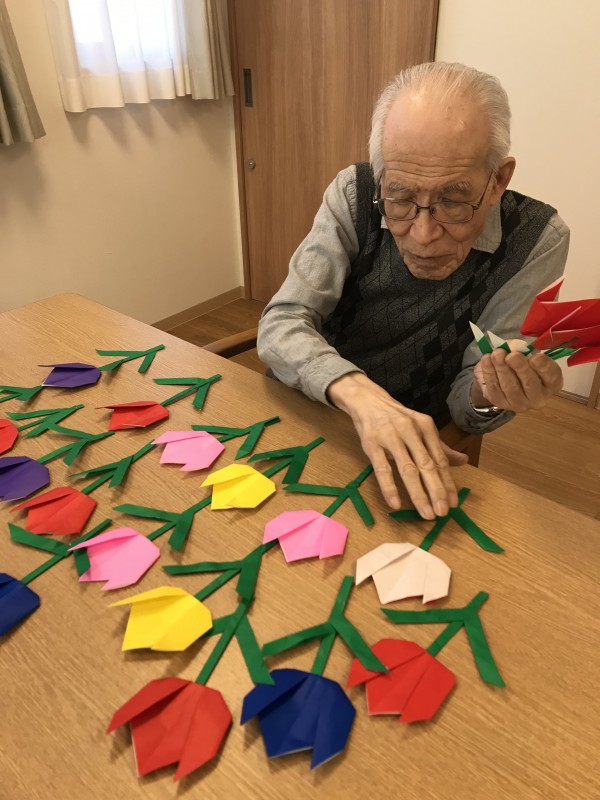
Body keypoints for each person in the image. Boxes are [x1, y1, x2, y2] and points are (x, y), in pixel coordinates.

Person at [257, 62, 569, 520]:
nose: (423, 235)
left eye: (454, 200)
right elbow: (283, 321)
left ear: (498, 180)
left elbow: (466, 410)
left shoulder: (537, 239)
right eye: (401, 198)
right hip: (312, 405)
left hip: (412, 445)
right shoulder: (355, 193)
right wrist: (361, 396)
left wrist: (490, 392)